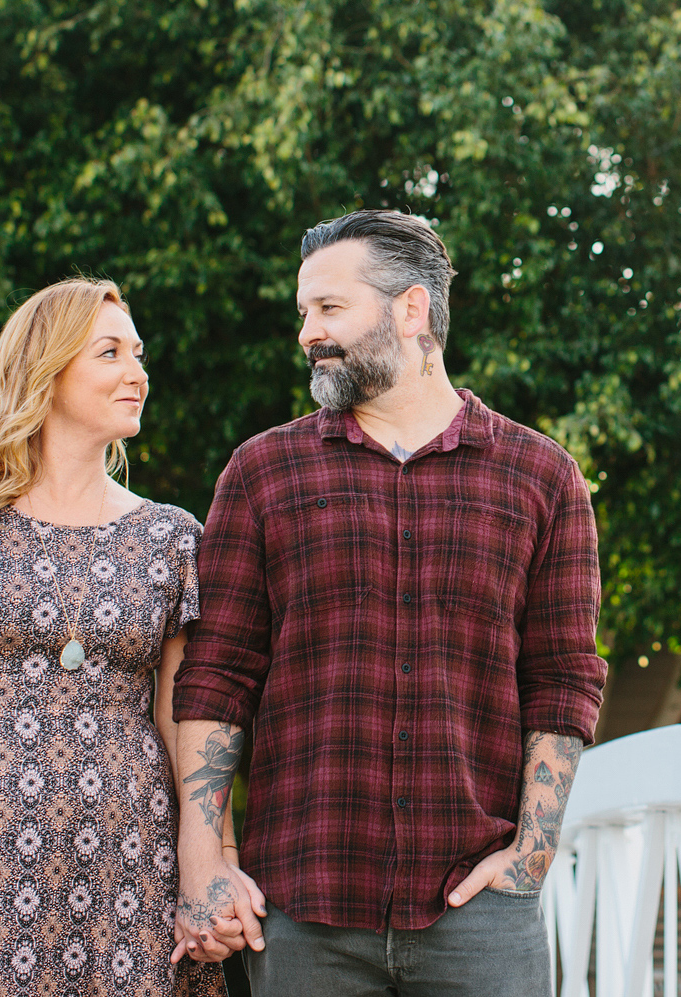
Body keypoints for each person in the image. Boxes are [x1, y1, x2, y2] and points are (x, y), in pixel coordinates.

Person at [169, 210, 607, 996]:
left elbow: (563, 679)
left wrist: (533, 853)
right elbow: (216, 677)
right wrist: (204, 863)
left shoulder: (542, 478)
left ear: (411, 310)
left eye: (330, 308)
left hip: (478, 913)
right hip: (300, 912)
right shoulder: (263, 473)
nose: (308, 331)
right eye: (303, 312)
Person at [0, 278, 236, 997]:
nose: (138, 372)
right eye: (110, 352)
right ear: (46, 368)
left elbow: (182, 720)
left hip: (133, 868)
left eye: (140, 354)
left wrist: (210, 861)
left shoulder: (172, 538)